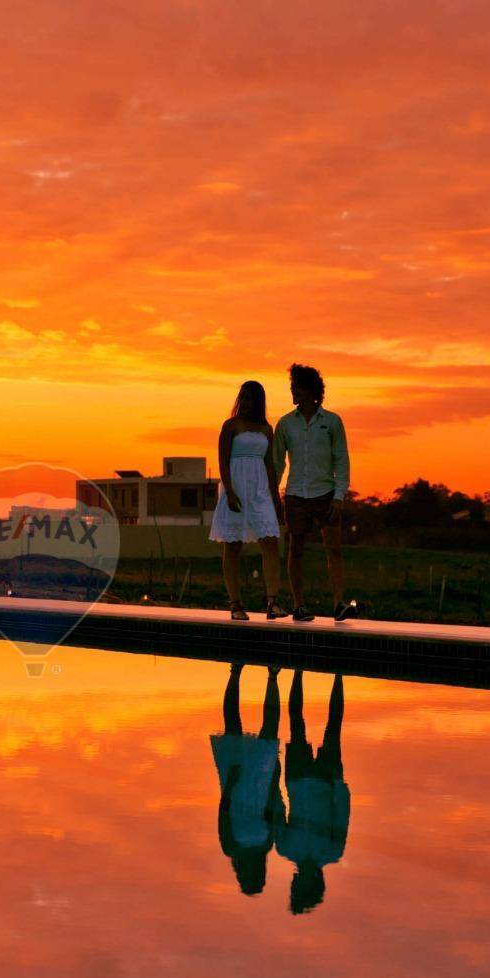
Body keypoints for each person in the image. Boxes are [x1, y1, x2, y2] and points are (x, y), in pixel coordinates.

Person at [273, 363, 352, 622]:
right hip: (295, 495)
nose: (292, 392)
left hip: (326, 494)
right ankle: (299, 605)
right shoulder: (285, 424)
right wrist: (274, 494)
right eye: (291, 387)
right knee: (296, 548)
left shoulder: (332, 421)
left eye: (296, 387)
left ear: (309, 390)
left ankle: (338, 603)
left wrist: (340, 495)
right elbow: (277, 462)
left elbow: (341, 460)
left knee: (334, 548)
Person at [208, 380, 286, 620]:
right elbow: (222, 461)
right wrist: (229, 492)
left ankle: (272, 602)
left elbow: (270, 466)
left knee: (270, 542)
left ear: (258, 401)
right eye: (242, 397)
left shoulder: (266, 429)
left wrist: (275, 497)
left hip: (260, 489)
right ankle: (235, 604)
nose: (244, 402)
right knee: (232, 546)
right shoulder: (230, 426)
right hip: (236, 488)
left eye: (250, 398)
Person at [276, 671, 351, 914]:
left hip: (297, 780)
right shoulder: (332, 852)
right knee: (334, 725)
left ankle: (297, 670)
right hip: (326, 781)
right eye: (297, 889)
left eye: (293, 889)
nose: (293, 884)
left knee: (295, 721)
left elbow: (278, 809)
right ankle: (339, 676)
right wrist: (339, 784)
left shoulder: (286, 848)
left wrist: (274, 778)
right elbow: (342, 815)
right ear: (313, 885)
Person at [210, 663, 285, 896]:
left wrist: (231, 783)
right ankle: (272, 677)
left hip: (238, 787)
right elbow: (272, 809)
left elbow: (223, 814)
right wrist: (275, 778)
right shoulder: (264, 846)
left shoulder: (232, 848)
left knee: (233, 724)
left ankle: (236, 671)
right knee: (268, 730)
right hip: (258, 786)